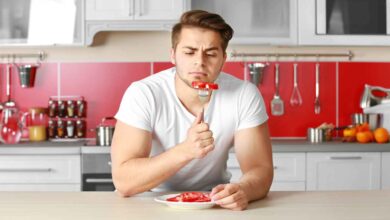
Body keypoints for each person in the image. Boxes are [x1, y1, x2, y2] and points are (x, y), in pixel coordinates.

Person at [111, 10, 273, 211]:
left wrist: (242, 190)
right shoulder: (143, 93)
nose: (200, 62)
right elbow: (124, 182)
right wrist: (185, 151)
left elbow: (260, 169)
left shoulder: (244, 94)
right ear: (173, 55)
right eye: (189, 52)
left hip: (214, 202)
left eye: (211, 54)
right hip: (148, 201)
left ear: (223, 58)